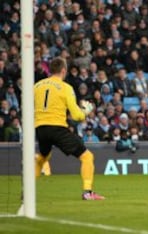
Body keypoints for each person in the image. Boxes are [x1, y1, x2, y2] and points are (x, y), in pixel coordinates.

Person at [34, 57, 105, 200]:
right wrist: (86, 110)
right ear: (63, 71)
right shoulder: (65, 87)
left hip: (40, 128)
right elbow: (77, 115)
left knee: (43, 157)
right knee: (87, 156)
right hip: (57, 127)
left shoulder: (37, 86)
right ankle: (88, 192)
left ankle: (27, 191)